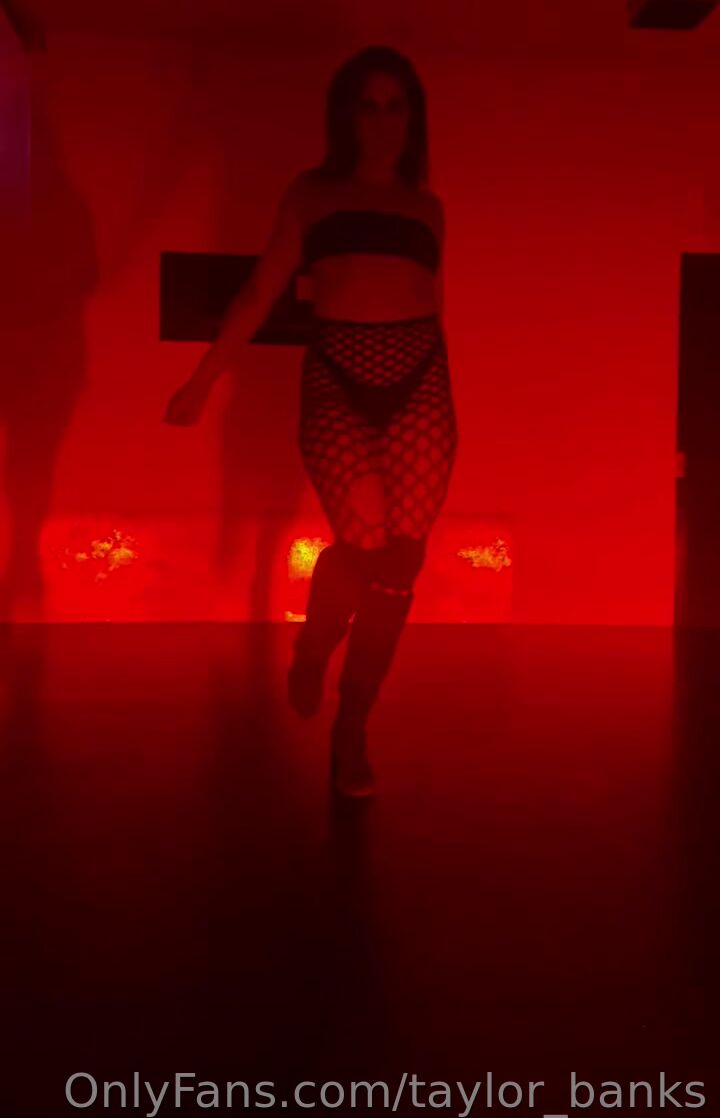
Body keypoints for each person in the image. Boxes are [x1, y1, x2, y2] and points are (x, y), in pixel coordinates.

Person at [165, 46, 458, 797]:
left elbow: (432, 305)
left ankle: (351, 726)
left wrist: (441, 397)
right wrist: (202, 380)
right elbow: (259, 292)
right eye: (369, 105)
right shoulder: (312, 194)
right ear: (346, 116)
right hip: (338, 373)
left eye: (396, 106)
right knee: (361, 547)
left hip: (421, 376)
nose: (383, 121)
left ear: (413, 119)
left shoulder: (428, 208)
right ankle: (316, 644)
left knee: (401, 563)